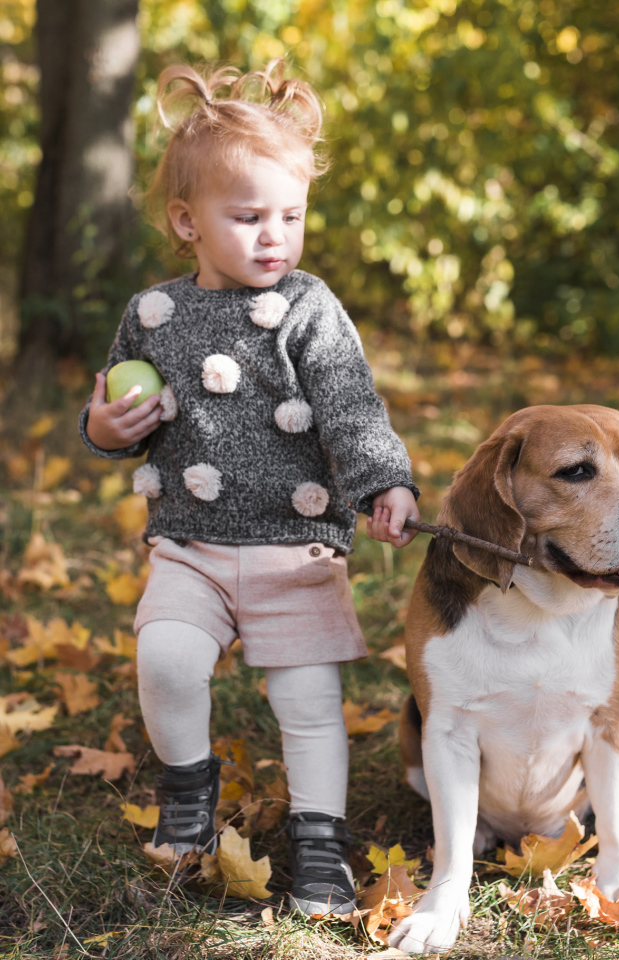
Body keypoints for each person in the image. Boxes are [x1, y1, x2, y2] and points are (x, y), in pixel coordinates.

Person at [79, 59, 420, 917]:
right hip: (188, 547)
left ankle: (317, 844)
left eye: (291, 215)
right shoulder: (151, 313)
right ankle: (190, 791)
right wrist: (105, 432)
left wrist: (385, 480)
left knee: (308, 704)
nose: (276, 235)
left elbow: (350, 406)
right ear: (186, 221)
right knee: (164, 658)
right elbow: (123, 415)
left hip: (294, 549)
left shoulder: (307, 307)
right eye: (249, 216)